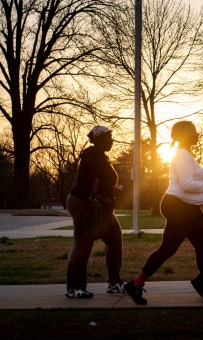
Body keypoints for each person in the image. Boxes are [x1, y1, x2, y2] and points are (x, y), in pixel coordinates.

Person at [124, 120, 203, 305]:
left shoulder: (186, 155)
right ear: (185, 135)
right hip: (178, 206)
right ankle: (135, 284)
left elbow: (190, 184)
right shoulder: (181, 155)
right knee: (168, 249)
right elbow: (187, 185)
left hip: (190, 207)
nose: (197, 134)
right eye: (194, 131)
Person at [65, 126, 124, 298]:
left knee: (114, 239)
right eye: (108, 137)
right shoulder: (92, 155)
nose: (112, 140)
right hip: (84, 204)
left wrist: (111, 190)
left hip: (99, 205)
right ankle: (74, 288)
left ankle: (114, 283)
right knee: (83, 244)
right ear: (98, 139)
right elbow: (87, 183)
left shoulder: (100, 156)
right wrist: (112, 189)